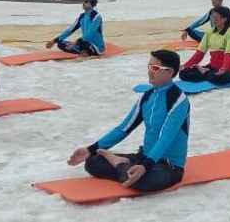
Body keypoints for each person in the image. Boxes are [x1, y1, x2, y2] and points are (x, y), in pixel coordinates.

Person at [66, 50, 188, 192]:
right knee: (92, 162)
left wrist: (145, 167)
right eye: (149, 67)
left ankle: (120, 165)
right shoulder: (147, 97)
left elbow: (165, 138)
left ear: (169, 72)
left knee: (145, 182)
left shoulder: (179, 100)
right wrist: (90, 149)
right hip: (144, 157)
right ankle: (125, 167)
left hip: (168, 165)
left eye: (154, 68)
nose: (150, 72)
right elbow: (124, 128)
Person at [179, 6, 230, 85]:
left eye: (217, 18)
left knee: (219, 77)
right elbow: (200, 53)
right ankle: (206, 73)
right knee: (183, 74)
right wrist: (186, 65)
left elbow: (228, 54)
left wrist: (223, 68)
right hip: (212, 68)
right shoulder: (209, 32)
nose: (214, 20)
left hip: (227, 70)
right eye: (213, 18)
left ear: (225, 19)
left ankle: (205, 72)